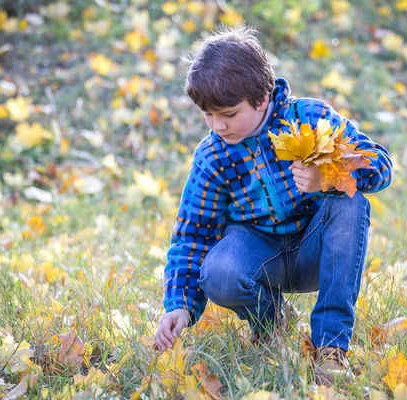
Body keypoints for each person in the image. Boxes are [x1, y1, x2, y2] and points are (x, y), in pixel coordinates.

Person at [153, 25, 393, 383]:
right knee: (218, 272)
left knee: (351, 204)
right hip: (258, 257)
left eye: (229, 114)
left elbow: (381, 164)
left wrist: (327, 177)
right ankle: (271, 323)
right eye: (208, 115)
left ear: (262, 99)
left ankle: (330, 347)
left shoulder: (310, 119)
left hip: (317, 250)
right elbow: (192, 235)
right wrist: (180, 306)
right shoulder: (212, 156)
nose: (217, 125)